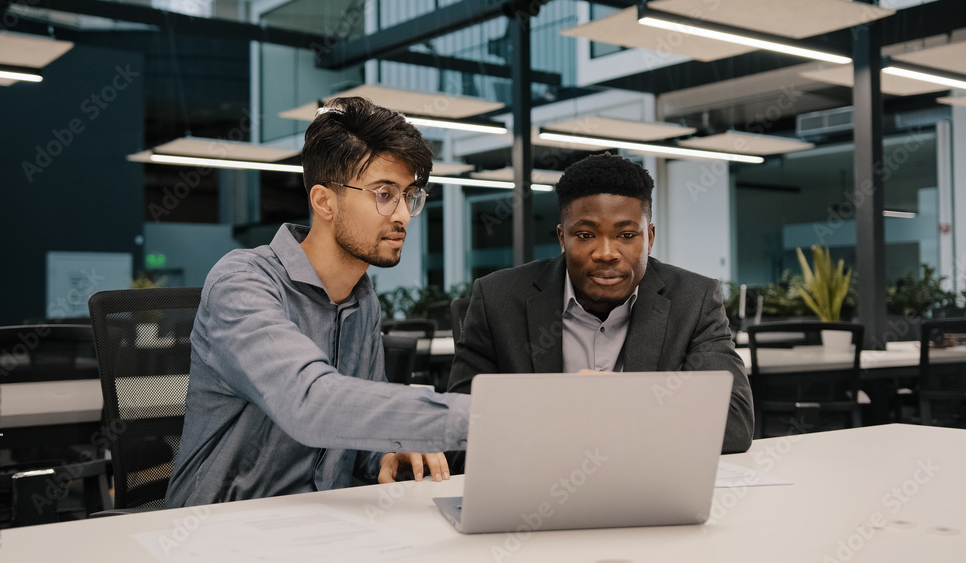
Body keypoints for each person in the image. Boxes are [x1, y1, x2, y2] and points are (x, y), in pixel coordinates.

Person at [166, 97, 470, 508]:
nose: (402, 215)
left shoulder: (363, 303)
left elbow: (347, 435)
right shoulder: (243, 282)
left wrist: (386, 450)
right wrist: (490, 417)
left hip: (320, 523)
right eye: (384, 194)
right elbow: (309, 404)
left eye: (409, 196)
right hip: (219, 529)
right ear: (324, 201)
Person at [448, 153, 753, 454]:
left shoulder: (693, 299)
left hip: (644, 485)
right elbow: (459, 425)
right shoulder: (497, 299)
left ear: (649, 238)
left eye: (626, 234)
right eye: (585, 234)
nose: (606, 252)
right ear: (562, 238)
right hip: (534, 483)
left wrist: (619, 403)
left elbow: (735, 423)